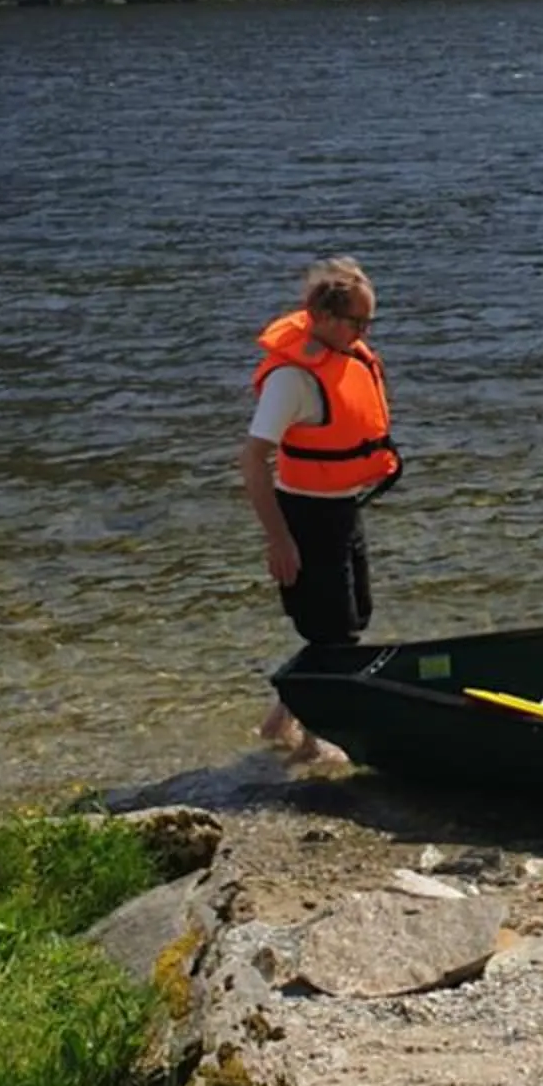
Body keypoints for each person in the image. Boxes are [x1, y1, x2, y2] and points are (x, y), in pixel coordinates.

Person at [242, 255, 402, 766]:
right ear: (326, 318)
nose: (364, 332)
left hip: (340, 509)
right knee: (332, 632)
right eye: (358, 322)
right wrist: (279, 539)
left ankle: (279, 718)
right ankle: (311, 741)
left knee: (351, 618)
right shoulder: (292, 380)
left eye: (368, 322)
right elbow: (251, 459)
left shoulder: (344, 355)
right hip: (305, 516)